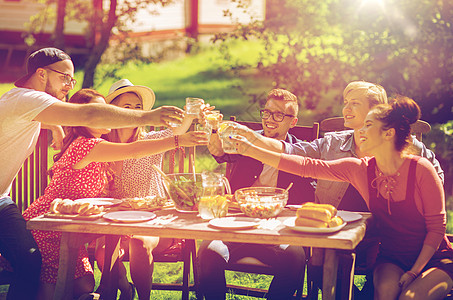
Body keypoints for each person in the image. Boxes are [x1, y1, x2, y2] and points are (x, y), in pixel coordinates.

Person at [0, 47, 183, 300]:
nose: (69, 85)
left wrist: (56, 129)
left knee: (59, 274)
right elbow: (88, 115)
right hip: (50, 224)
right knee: (32, 264)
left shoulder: (25, 102)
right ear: (41, 74)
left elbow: (41, 117)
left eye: (72, 79)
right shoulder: (29, 100)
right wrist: (148, 116)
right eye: (65, 77)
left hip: (6, 201)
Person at [235, 81, 444, 298]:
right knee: (362, 281)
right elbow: (302, 163)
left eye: (355, 104)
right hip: (356, 241)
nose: (359, 132)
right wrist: (250, 144)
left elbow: (436, 222)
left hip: (411, 247)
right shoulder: (358, 167)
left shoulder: (418, 162)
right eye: (345, 103)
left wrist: (414, 271)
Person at [21, 88, 208, 300]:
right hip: (50, 225)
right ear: (82, 118)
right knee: (54, 279)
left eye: (108, 110)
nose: (108, 115)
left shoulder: (93, 142)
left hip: (69, 224)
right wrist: (178, 142)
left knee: (85, 284)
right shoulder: (89, 145)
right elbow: (134, 150)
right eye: (101, 112)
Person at [197, 89, 312, 299]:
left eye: (278, 115)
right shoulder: (246, 141)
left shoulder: (300, 152)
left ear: (293, 122)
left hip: (278, 230)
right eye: (266, 113)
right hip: (235, 226)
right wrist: (214, 128)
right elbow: (219, 150)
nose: (269, 120)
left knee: (295, 257)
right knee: (208, 251)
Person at [94, 79, 203, 300]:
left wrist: (193, 113)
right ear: (112, 111)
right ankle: (125, 288)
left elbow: (178, 131)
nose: (134, 113)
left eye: (138, 108)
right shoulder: (100, 146)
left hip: (155, 222)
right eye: (127, 108)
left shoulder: (151, 141)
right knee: (104, 251)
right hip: (115, 223)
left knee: (139, 242)